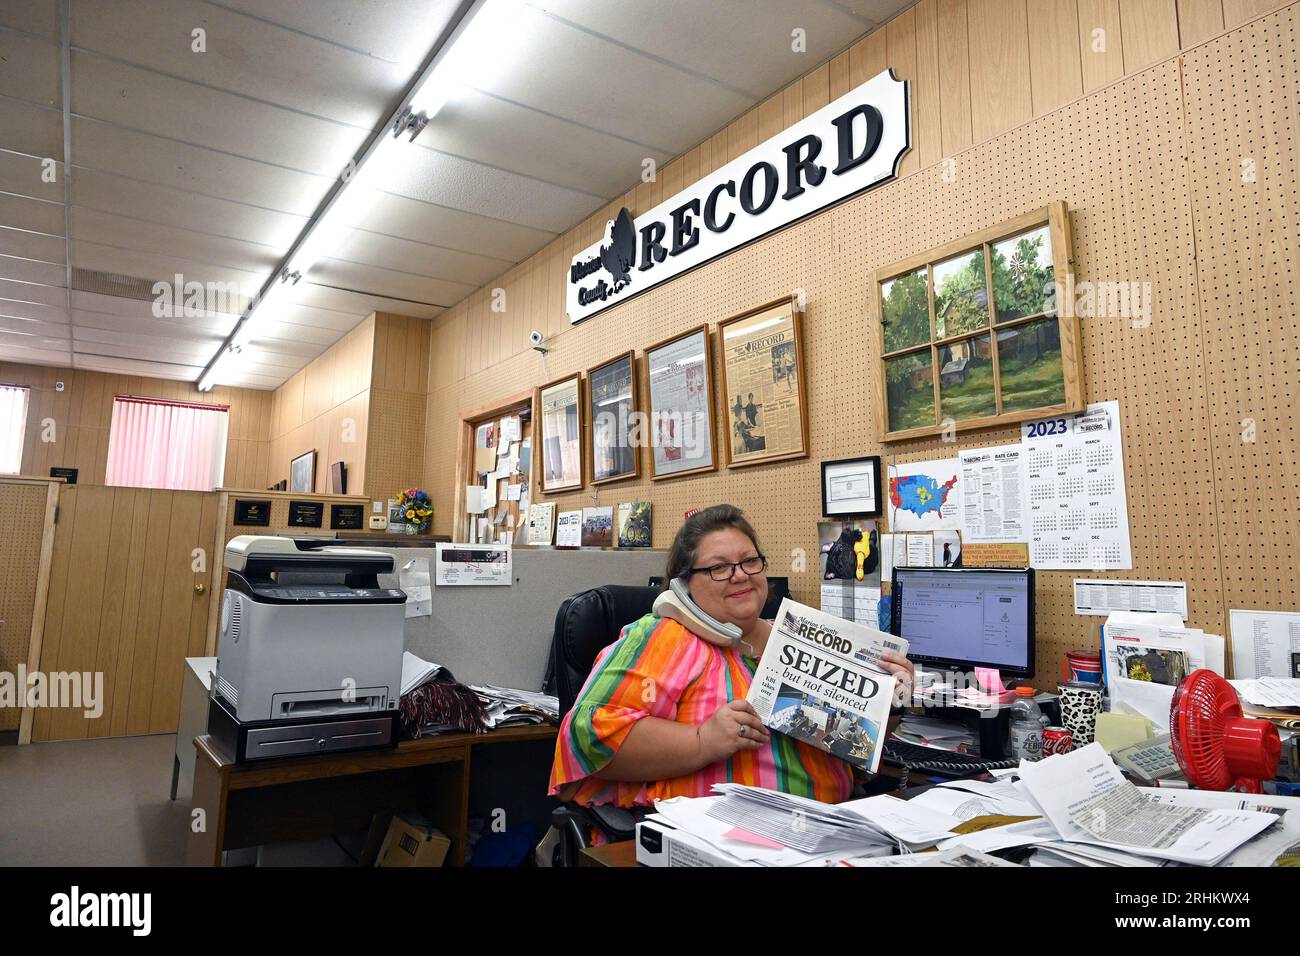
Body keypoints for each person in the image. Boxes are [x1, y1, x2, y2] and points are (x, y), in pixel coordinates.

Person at [549, 504, 916, 812]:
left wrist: (887, 705)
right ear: (683, 584)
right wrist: (702, 741)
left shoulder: (800, 639)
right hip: (711, 842)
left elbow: (851, 745)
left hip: (829, 831)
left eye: (749, 562)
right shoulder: (665, 636)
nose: (740, 576)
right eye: (719, 567)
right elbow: (586, 737)